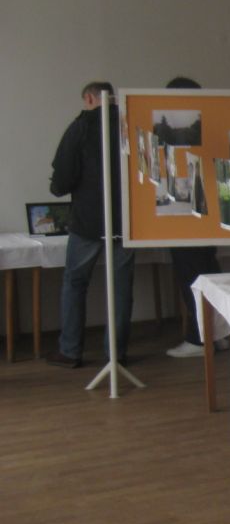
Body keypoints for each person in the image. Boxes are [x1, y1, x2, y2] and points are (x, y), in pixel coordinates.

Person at [47, 81, 135, 368]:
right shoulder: (130, 122)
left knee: (75, 283)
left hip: (87, 221)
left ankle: (70, 351)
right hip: (127, 222)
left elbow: (62, 180)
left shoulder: (80, 127)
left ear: (88, 98)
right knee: (120, 288)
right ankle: (115, 354)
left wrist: (59, 187)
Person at [164, 77, 226, 358]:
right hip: (205, 215)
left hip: (186, 216)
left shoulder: (194, 128)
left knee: (193, 275)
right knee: (208, 272)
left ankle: (200, 340)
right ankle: (217, 336)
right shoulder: (210, 122)